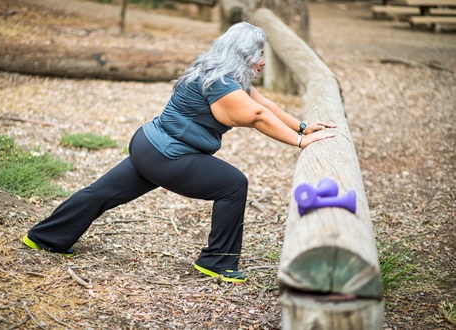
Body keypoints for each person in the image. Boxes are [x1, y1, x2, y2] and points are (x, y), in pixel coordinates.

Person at [22, 22, 336, 283]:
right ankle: (218, 261)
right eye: (259, 54)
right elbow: (257, 117)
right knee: (233, 185)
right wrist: (298, 143)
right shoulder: (222, 85)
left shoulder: (214, 71)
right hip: (168, 154)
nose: (263, 61)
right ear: (244, 55)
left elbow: (263, 104)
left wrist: (302, 127)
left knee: (102, 192)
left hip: (148, 143)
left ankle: (44, 237)